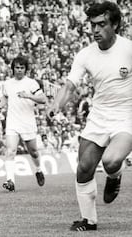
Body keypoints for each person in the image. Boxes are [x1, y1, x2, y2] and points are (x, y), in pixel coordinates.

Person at [47, 1, 132, 231]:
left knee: (111, 160)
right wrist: (55, 105)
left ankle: (115, 176)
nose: (95, 30)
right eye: (92, 25)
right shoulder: (85, 55)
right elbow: (69, 86)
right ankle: (89, 221)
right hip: (98, 117)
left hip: (126, 117)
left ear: (114, 24)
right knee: (84, 167)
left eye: (101, 24)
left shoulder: (128, 49)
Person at [0, 56, 46, 192]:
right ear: (13, 69)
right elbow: (5, 98)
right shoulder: (7, 83)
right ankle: (10, 181)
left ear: (25, 69)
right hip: (12, 121)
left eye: (22, 68)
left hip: (27, 122)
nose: (19, 70)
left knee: (34, 152)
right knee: (10, 151)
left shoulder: (31, 83)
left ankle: (38, 170)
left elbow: (43, 99)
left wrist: (29, 96)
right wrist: (0, 105)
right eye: (17, 67)